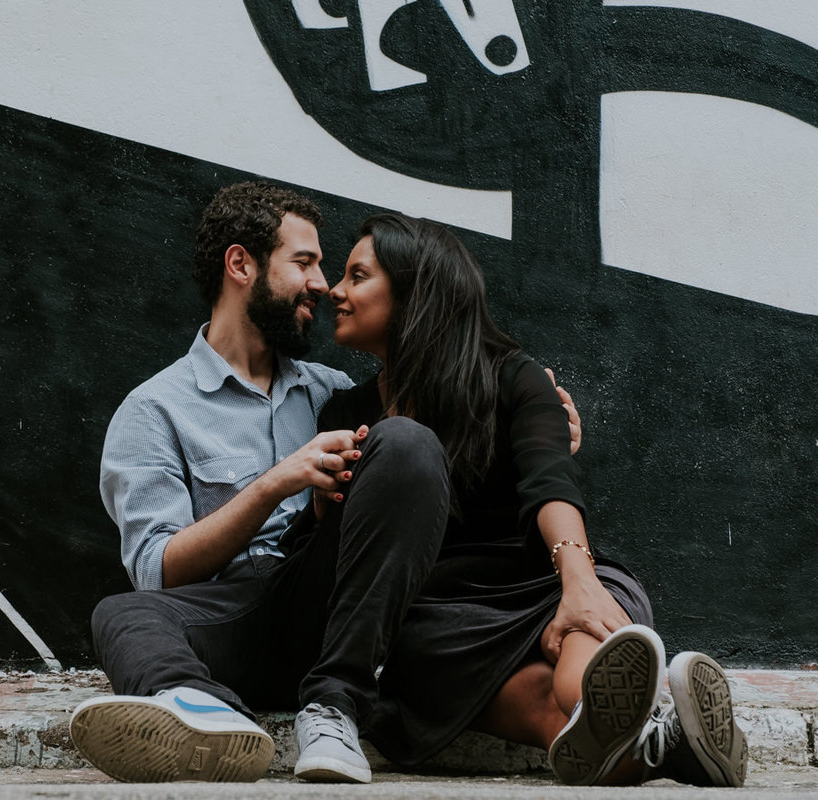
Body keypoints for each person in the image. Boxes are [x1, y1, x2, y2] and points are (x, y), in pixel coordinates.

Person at [70, 182, 579, 785]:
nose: (322, 284)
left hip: (344, 605)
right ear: (242, 265)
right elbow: (159, 569)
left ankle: (338, 699)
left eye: (329, 268)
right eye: (304, 263)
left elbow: (422, 449)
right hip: (245, 617)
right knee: (122, 613)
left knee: (404, 443)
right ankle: (203, 713)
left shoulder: (331, 390)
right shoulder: (155, 410)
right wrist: (273, 485)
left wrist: (536, 418)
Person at [315, 211, 747, 786]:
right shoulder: (343, 416)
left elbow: (550, 480)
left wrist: (577, 581)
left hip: (542, 585)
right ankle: (661, 741)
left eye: (357, 275)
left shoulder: (515, 378)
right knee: (440, 659)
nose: (335, 292)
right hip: (440, 622)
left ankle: (614, 714)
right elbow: (349, 549)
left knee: (588, 620)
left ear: (416, 290)